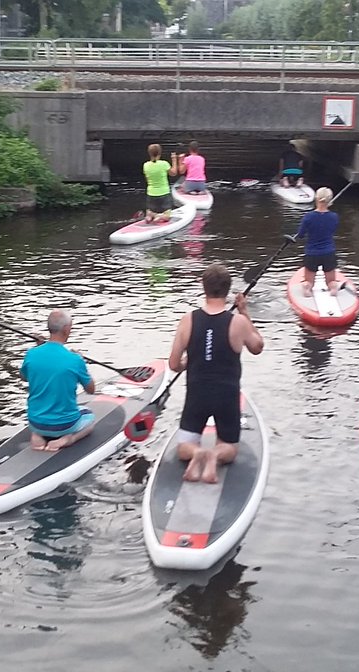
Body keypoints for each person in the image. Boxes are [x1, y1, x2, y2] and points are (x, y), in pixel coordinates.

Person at [167, 264, 265, 483]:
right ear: (228, 290)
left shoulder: (188, 320)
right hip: (226, 395)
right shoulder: (238, 322)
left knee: (184, 447)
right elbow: (257, 347)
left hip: (197, 394)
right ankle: (215, 455)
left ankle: (196, 452)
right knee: (229, 448)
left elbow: (173, 364)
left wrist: (189, 361)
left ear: (204, 288)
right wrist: (244, 311)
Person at [20, 309, 97, 451]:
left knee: (40, 415)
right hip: (64, 426)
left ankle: (37, 436)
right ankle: (68, 439)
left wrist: (39, 348)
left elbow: (24, 377)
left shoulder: (31, 354)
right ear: (66, 329)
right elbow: (91, 389)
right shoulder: (75, 360)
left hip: (35, 422)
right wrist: (82, 363)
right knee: (89, 415)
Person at [291, 186, 340, 297]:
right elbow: (332, 230)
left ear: (316, 198)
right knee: (331, 281)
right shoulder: (334, 217)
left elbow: (301, 235)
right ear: (329, 200)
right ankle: (333, 288)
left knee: (309, 282)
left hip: (312, 253)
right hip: (329, 252)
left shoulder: (308, 217)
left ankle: (307, 288)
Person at [143, 143, 178, 223]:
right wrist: (174, 159)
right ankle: (160, 216)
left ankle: (150, 215)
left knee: (150, 211)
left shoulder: (146, 165)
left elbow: (147, 180)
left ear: (149, 153)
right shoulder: (164, 164)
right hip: (164, 193)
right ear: (160, 153)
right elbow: (174, 173)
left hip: (151, 194)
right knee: (167, 216)